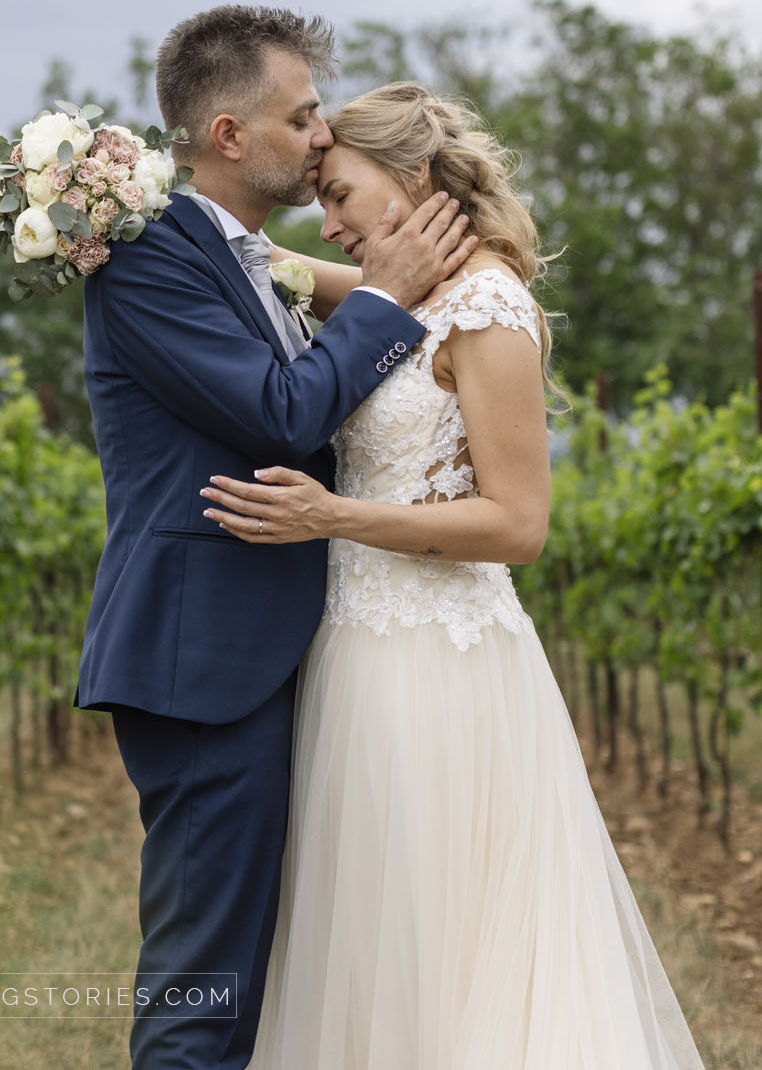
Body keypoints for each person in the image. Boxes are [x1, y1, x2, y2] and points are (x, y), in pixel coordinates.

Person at [202, 82, 707, 1068]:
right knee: (371, 941)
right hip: (354, 651)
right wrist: (139, 214)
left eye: (341, 195)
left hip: (440, 663)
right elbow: (273, 267)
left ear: (416, 176)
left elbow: (519, 524)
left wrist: (333, 516)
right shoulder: (401, 291)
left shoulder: (487, 308)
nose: (331, 224)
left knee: (446, 941)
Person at [74, 6, 476, 1069]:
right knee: (203, 992)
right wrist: (388, 293)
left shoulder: (249, 259)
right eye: (299, 118)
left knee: (255, 980)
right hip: (202, 662)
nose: (319, 135)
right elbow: (282, 414)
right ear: (227, 134)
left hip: (267, 652)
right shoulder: (149, 257)